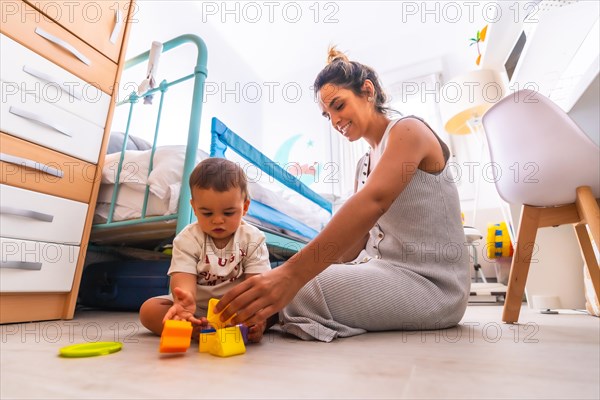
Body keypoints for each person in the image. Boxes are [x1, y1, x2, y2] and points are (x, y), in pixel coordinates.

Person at [215, 47, 470, 342]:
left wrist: (293, 275)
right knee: (284, 277)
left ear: (367, 91)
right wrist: (305, 269)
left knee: (300, 286)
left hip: (433, 285)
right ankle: (215, 311)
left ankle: (229, 317)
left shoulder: (409, 131)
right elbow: (357, 241)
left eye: (339, 105)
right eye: (327, 115)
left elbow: (374, 202)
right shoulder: (364, 164)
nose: (335, 120)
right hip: (386, 271)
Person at [139, 158, 273, 343]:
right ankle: (195, 329)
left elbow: (256, 284)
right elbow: (183, 280)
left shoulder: (253, 239)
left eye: (228, 213)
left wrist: (256, 316)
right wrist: (185, 305)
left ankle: (252, 328)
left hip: (237, 308)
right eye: (207, 213)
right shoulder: (187, 239)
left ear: (245, 207)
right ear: (194, 208)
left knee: (274, 308)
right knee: (149, 310)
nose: (218, 220)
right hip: (197, 309)